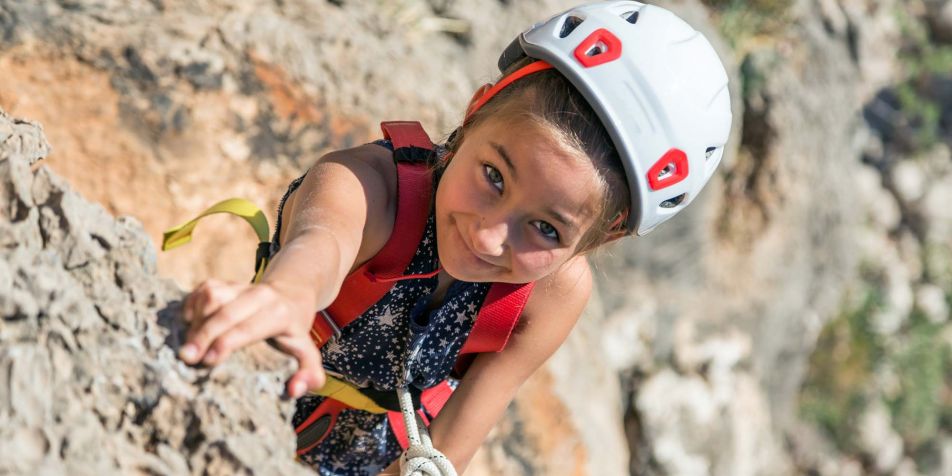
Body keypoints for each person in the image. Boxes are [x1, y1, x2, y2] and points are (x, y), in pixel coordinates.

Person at [175, 1, 731, 474]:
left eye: (546, 228)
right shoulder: (372, 189)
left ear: (600, 238)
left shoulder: (551, 295)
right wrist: (285, 296)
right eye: (493, 176)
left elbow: (453, 440)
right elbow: (318, 248)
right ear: (474, 111)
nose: (489, 237)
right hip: (248, 407)